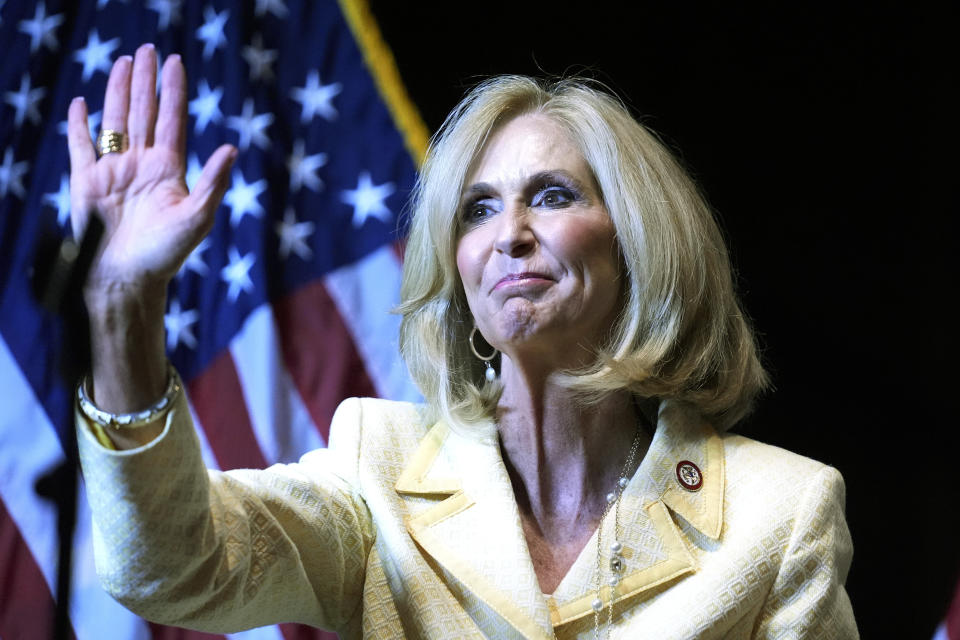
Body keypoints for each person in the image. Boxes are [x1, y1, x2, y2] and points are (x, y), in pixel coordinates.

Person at [70, 44, 859, 639]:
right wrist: (121, 303)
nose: (509, 234)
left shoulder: (781, 516)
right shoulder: (375, 468)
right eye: (478, 210)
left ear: (637, 245)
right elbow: (172, 566)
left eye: (551, 197)